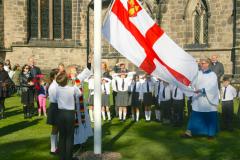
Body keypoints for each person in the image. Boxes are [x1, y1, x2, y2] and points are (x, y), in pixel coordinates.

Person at [183, 58, 219, 139]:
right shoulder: (198, 73)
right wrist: (192, 86)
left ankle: (211, 134)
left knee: (210, 117)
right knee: (195, 116)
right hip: (198, 100)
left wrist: (203, 90)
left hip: (208, 100)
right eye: (200, 63)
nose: (201, 65)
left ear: (207, 64)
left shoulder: (212, 75)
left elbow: (213, 87)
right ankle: (189, 133)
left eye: (203, 63)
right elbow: (193, 82)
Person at [56, 72, 80, 160]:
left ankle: (62, 157)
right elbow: (79, 94)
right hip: (69, 113)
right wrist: (74, 85)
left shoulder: (57, 88)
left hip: (60, 113)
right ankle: (68, 157)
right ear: (66, 80)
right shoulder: (72, 88)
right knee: (69, 136)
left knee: (62, 135)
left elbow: (54, 98)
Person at [46, 69, 59, 155]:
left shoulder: (57, 84)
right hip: (55, 107)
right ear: (54, 76)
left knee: (58, 128)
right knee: (55, 128)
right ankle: (53, 148)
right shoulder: (54, 86)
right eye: (58, 74)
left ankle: (56, 147)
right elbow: (56, 98)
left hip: (57, 107)